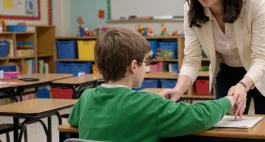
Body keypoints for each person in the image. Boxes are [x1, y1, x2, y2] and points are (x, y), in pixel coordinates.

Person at [68, 28, 236, 142]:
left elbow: (74, 120)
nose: (147, 66)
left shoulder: (87, 97)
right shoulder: (149, 104)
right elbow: (201, 116)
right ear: (134, 66)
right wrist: (228, 100)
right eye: (146, 61)